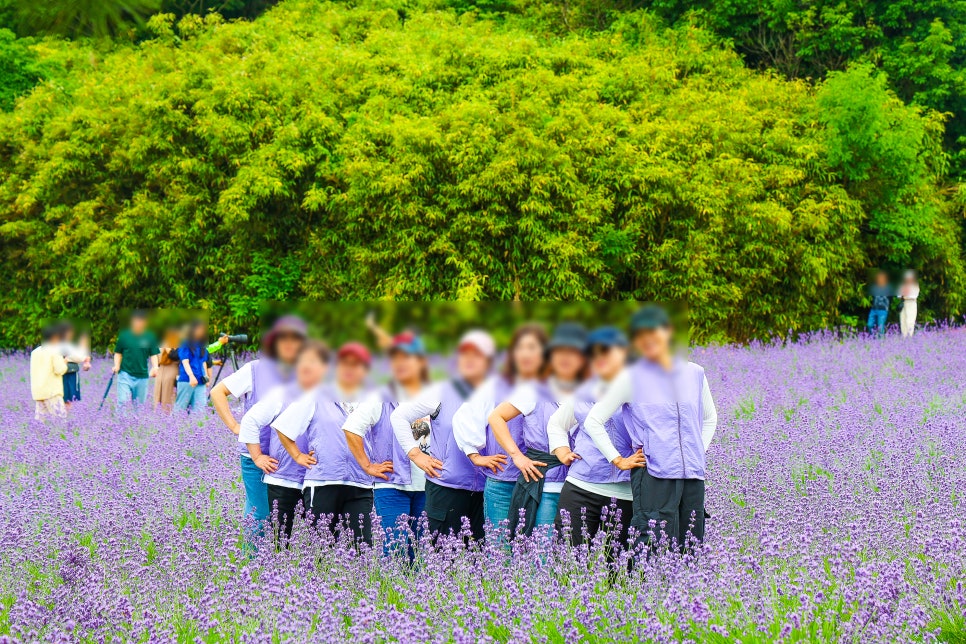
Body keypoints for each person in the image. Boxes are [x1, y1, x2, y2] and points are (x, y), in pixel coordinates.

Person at [585, 305, 717, 551]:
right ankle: (645, 589)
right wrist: (618, 460)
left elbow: (710, 418)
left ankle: (689, 589)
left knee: (691, 542)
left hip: (693, 477)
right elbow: (594, 420)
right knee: (652, 543)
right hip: (655, 474)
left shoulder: (695, 373)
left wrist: (699, 450)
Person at [272, 341, 382, 547]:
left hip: (360, 483)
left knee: (362, 549)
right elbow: (284, 427)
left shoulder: (370, 399)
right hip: (323, 482)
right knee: (322, 548)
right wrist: (297, 456)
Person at [390, 330, 495, 543]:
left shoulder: (496, 394)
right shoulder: (441, 391)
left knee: (479, 562)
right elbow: (399, 416)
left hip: (486, 490)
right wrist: (416, 454)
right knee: (441, 561)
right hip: (446, 487)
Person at [209, 315, 307, 535]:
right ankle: (252, 563)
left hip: (290, 458)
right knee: (261, 514)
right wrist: (236, 427)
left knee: (289, 518)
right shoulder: (255, 369)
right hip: (258, 456)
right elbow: (217, 392)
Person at [488, 322, 589, 537]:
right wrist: (517, 456)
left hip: (580, 485)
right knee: (541, 554)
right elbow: (496, 417)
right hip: (546, 485)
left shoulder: (587, 392)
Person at [453, 323, 547, 533]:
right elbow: (466, 417)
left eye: (532, 347)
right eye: (520, 348)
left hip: (539, 482)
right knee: (499, 549)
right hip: (502, 480)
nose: (525, 354)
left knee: (536, 550)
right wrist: (475, 455)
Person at [343, 332, 431, 557]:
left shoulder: (432, 395)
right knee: (395, 550)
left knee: (421, 553)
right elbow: (352, 428)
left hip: (428, 484)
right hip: (392, 485)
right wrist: (367, 466)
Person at [549, 326, 636, 549]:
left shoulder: (637, 391)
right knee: (568, 558)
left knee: (619, 569)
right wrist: (562, 451)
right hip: (581, 485)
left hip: (625, 491)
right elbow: (557, 424)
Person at [238, 341, 330, 542]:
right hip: (284, 477)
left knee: (319, 539)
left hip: (317, 479)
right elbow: (250, 421)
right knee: (280, 539)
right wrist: (257, 456)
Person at [112, 310, 159, 407]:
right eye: (136, 321)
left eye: (141, 321)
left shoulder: (150, 337)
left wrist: (155, 367)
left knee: (139, 405)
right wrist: (116, 365)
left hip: (142, 376)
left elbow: (153, 354)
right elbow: (118, 353)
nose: (138, 323)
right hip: (125, 374)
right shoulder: (124, 336)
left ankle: (137, 422)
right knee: (122, 401)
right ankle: (121, 422)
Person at [30, 324, 69, 421]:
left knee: (40, 424)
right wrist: (65, 363)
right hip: (52, 392)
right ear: (55, 337)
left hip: (38, 392)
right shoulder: (55, 351)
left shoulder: (35, 352)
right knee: (60, 421)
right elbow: (59, 369)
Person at [174, 320, 211, 414]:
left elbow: (203, 362)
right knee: (180, 408)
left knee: (200, 409)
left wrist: (206, 378)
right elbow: (185, 361)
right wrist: (191, 376)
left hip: (200, 381)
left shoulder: (202, 344)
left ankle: (197, 427)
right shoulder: (185, 343)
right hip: (187, 380)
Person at [57, 321, 90, 411]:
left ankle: (64, 418)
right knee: (65, 399)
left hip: (69, 372)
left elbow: (83, 357)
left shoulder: (69, 345)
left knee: (68, 399)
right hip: (65, 373)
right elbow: (79, 357)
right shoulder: (62, 345)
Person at [154, 326, 183, 411]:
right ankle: (165, 417)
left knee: (161, 397)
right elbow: (175, 356)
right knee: (168, 397)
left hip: (163, 373)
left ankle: (160, 417)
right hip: (171, 372)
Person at [867, 271, 892, 338]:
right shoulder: (874, 287)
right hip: (874, 309)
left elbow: (890, 298)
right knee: (869, 324)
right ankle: (872, 338)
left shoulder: (888, 287)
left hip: (883, 310)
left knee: (880, 327)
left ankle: (881, 342)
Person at [899, 270, 919, 338]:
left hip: (911, 303)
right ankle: (904, 337)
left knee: (910, 321)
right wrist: (903, 293)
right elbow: (898, 295)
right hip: (904, 303)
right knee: (903, 320)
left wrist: (905, 293)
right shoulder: (903, 286)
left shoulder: (915, 286)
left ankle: (909, 337)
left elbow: (914, 295)